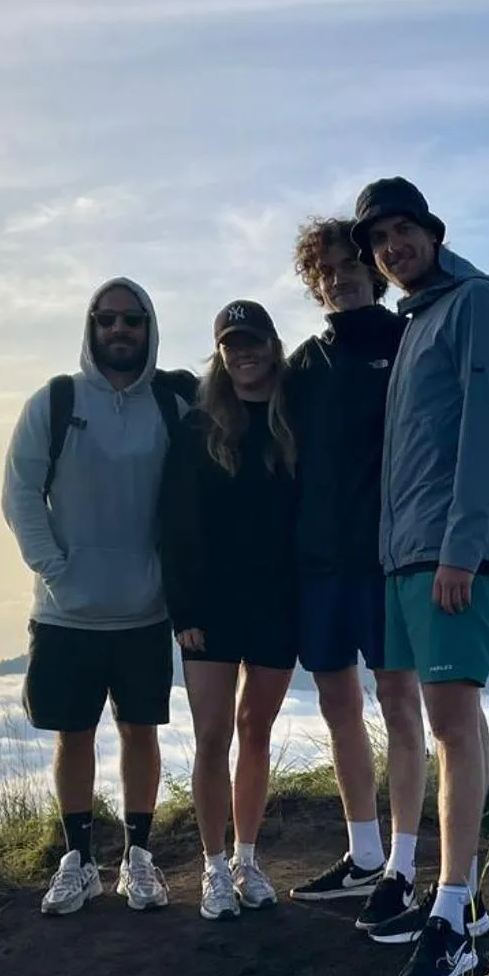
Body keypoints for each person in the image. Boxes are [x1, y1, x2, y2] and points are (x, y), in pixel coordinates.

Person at [350, 178, 489, 976]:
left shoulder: (476, 302)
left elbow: (488, 430)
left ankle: (450, 919)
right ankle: (466, 895)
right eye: (379, 239)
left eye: (402, 230)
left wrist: (461, 548)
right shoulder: (418, 320)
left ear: (431, 230)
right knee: (453, 720)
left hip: (448, 554)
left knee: (451, 723)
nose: (392, 247)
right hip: (405, 553)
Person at [2, 278, 193, 916]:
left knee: (141, 732)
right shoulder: (54, 402)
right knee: (73, 735)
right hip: (65, 613)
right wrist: (57, 570)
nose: (119, 331)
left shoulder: (173, 405)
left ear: (148, 327)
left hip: (144, 609)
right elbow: (20, 494)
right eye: (107, 319)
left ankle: (138, 859)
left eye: (132, 320)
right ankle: (78, 860)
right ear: (91, 327)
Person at [281, 217, 430, 932]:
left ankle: (403, 865)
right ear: (314, 283)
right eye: (326, 270)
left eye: (349, 264)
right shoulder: (305, 363)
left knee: (399, 699)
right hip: (319, 561)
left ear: (373, 269)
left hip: (385, 559)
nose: (339, 278)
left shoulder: (406, 342)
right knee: (338, 703)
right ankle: (363, 854)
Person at [159, 301, 302, 921]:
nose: (243, 352)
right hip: (209, 607)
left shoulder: (296, 421)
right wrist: (183, 606)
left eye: (253, 341)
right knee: (213, 735)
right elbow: (174, 521)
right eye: (230, 343)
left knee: (257, 732)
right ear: (220, 353)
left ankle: (247, 858)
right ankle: (214, 868)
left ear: (273, 345)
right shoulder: (197, 429)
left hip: (278, 600)